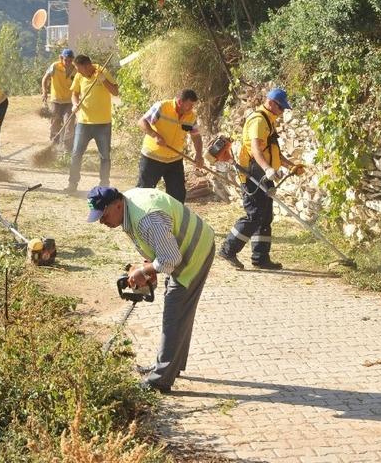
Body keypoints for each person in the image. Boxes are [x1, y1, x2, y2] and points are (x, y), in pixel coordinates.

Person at [87, 186, 214, 393]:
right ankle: (170, 366)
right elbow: (157, 243)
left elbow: (170, 259)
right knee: (179, 314)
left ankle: (160, 380)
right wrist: (149, 265)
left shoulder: (146, 218)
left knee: (174, 314)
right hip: (181, 251)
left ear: (117, 204)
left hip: (195, 251)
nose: (102, 221)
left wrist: (145, 271)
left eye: (104, 215)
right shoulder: (128, 206)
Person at [217, 88, 305, 270]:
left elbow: (273, 151)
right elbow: (256, 150)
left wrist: (291, 166)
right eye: (280, 108)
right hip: (253, 172)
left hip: (263, 172)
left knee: (265, 217)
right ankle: (228, 249)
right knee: (254, 215)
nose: (282, 112)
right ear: (271, 103)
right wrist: (267, 169)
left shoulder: (268, 121)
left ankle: (260, 258)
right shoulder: (258, 121)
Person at [136, 89, 204, 203]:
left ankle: (174, 214)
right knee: (144, 192)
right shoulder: (161, 107)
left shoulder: (191, 116)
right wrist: (155, 136)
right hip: (152, 157)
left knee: (178, 196)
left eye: (193, 105)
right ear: (180, 102)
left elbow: (196, 136)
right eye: (190, 105)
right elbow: (142, 122)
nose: (192, 108)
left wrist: (199, 155)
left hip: (174, 160)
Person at [66, 55, 119, 193]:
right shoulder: (79, 76)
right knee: (76, 154)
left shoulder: (102, 71)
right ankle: (72, 184)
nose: (78, 71)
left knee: (105, 156)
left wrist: (103, 80)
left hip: (103, 124)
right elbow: (74, 94)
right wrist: (75, 104)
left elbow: (115, 91)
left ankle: (104, 185)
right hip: (84, 122)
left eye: (79, 68)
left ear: (87, 66)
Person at [41, 49, 76, 150]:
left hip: (69, 101)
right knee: (55, 123)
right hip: (56, 100)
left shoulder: (76, 69)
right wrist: (44, 91)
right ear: (61, 58)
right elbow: (45, 78)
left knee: (69, 123)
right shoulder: (55, 66)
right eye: (66, 60)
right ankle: (54, 144)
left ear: (72, 59)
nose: (68, 62)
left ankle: (67, 147)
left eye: (70, 60)